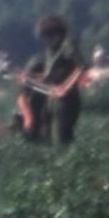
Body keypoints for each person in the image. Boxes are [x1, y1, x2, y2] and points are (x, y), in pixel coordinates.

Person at [33, 14, 83, 145]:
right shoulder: (51, 49)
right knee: (47, 137)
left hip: (66, 100)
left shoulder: (68, 45)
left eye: (47, 37)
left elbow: (81, 67)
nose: (46, 41)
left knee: (62, 140)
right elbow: (50, 74)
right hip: (51, 99)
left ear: (56, 34)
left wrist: (66, 86)